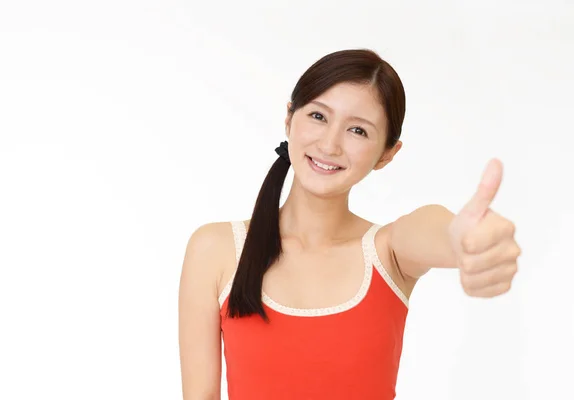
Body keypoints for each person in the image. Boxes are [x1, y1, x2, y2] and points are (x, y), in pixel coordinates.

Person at [178, 49, 522, 400]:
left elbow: (427, 227)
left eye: (358, 130)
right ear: (289, 118)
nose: (330, 144)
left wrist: (462, 238)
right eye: (318, 116)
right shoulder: (216, 250)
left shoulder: (387, 254)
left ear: (388, 153)